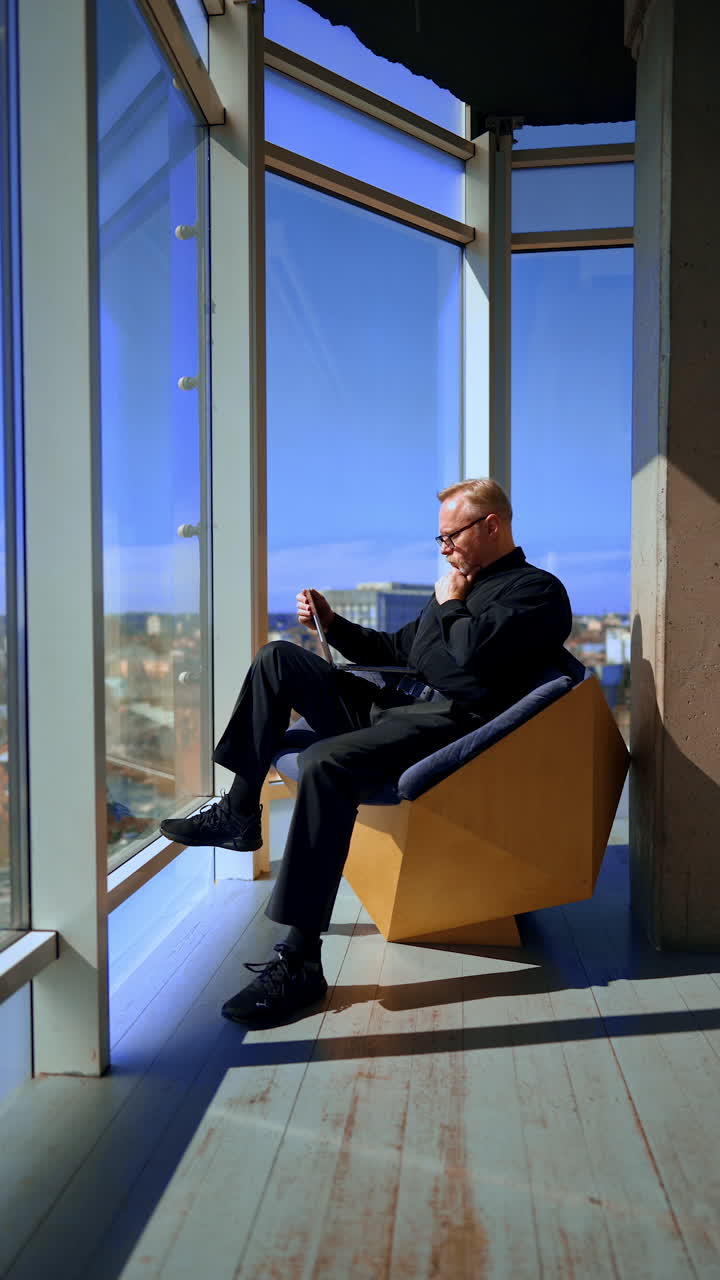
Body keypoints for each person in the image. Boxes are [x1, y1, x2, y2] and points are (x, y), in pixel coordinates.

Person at [160, 479, 572, 1025]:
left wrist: (450, 606)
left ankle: (301, 959)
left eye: (451, 536)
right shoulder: (456, 586)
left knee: (326, 763)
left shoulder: (535, 594)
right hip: (393, 704)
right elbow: (397, 650)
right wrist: (332, 625)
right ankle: (239, 814)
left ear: (491, 526)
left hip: (446, 726)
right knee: (277, 659)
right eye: (441, 538)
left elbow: (469, 670)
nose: (443, 548)